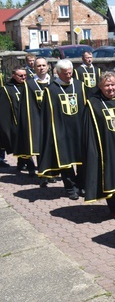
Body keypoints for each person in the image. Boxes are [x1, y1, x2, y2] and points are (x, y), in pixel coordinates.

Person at [81, 72, 115, 221]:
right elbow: (89, 130)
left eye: (113, 84)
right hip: (106, 149)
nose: (110, 88)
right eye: (106, 85)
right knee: (111, 179)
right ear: (100, 86)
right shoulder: (93, 104)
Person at [37, 60, 87, 199]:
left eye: (70, 72)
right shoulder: (51, 89)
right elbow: (47, 114)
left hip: (79, 130)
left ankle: (81, 185)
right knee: (66, 161)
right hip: (62, 131)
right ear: (58, 73)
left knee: (82, 159)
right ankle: (70, 188)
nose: (69, 75)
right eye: (65, 74)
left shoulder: (79, 86)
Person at [15, 57, 53, 178]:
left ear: (48, 67)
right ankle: (42, 175)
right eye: (38, 66)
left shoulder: (54, 82)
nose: (41, 68)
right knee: (39, 148)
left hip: (52, 121)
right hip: (37, 120)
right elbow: (26, 107)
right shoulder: (29, 85)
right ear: (34, 68)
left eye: (43, 65)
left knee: (52, 148)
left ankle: (50, 172)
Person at [0, 66, 27, 171]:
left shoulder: (29, 86)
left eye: (25, 75)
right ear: (14, 76)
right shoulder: (7, 89)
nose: (24, 78)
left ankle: (22, 163)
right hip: (15, 119)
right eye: (21, 76)